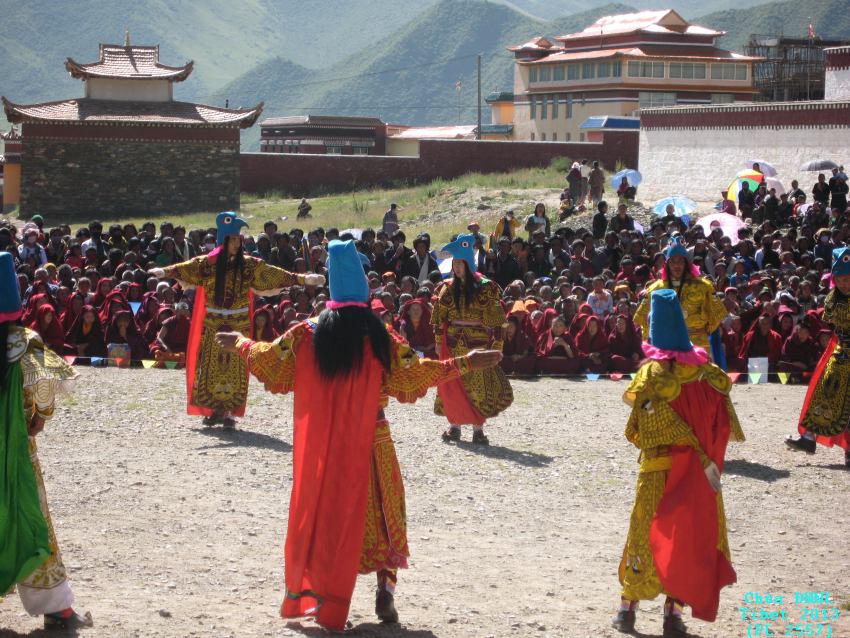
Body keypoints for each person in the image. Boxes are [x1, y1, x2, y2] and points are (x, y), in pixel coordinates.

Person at [214, 240, 503, 630]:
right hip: (373, 438)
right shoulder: (380, 335)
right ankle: (386, 589)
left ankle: (326, 596)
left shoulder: (307, 332)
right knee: (384, 513)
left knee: (330, 514)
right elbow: (415, 375)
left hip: (329, 444)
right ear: (363, 287)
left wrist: (240, 343)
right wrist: (464, 363)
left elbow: (270, 362)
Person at [612, 289, 744, 636]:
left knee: (644, 530)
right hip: (697, 473)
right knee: (687, 537)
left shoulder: (650, 377)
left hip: (659, 468)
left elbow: (639, 430)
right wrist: (707, 459)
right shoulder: (711, 375)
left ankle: (628, 608)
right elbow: (724, 428)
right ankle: (674, 612)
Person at [151, 211, 324, 429]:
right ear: (224, 241)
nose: (236, 243)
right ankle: (215, 410)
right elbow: (187, 268)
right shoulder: (208, 264)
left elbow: (271, 274)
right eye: (232, 239)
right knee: (211, 368)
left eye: (238, 239)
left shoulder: (249, 265)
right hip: (213, 324)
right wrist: (164, 272)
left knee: (236, 369)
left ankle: (229, 413)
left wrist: (302, 279)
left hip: (239, 325)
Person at [0, 252, 93, 630]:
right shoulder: (27, 344)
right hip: (18, 456)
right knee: (31, 519)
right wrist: (37, 418)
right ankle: (57, 609)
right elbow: (45, 399)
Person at [431, 234, 513, 444]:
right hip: (452, 344)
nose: (457, 268)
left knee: (479, 387)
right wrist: (439, 342)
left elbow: (498, 321)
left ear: (468, 264)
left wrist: (497, 345)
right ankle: (454, 426)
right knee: (453, 384)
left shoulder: (486, 287)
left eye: (461, 263)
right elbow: (439, 319)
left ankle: (478, 429)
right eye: (455, 263)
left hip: (478, 343)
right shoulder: (446, 288)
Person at [787, 247, 850, 466]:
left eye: (847, 279)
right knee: (823, 391)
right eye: (839, 279)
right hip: (841, 354)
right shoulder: (832, 298)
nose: (844, 284)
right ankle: (809, 437)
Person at [634, 237, 727, 356]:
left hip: (698, 343)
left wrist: (704, 329)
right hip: (667, 345)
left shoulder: (704, 287)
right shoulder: (655, 289)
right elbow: (643, 319)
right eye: (673, 261)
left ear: (686, 264)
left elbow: (717, 315)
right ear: (667, 264)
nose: (676, 265)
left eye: (680, 261)